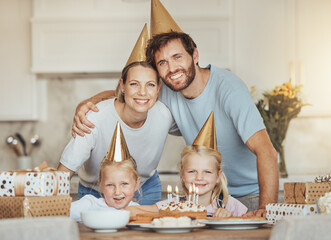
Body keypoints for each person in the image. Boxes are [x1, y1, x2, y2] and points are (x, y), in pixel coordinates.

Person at [71, 31, 278, 217]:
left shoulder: (229, 89)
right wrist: (89, 102)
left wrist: (265, 210)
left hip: (248, 195)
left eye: (177, 57)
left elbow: (267, 151)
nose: (171, 68)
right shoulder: (168, 89)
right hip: (203, 199)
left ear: (195, 56)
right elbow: (132, 96)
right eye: (162, 62)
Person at [58, 59, 178, 205]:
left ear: (158, 88)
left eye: (150, 85)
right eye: (134, 84)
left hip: (146, 188)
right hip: (96, 193)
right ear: (122, 85)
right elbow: (63, 174)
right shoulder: (94, 118)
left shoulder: (164, 115)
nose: (142, 92)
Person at [126, 113, 247, 217]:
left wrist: (230, 218)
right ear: (182, 174)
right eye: (192, 171)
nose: (199, 177)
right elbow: (130, 211)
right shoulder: (173, 205)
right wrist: (173, 214)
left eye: (207, 172)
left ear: (218, 176)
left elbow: (250, 228)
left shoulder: (229, 205)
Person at [70, 123, 141, 222]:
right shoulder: (89, 205)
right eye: (110, 185)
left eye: (124, 184)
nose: (117, 192)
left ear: (136, 183)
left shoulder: (137, 210)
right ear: (100, 184)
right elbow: (58, 214)